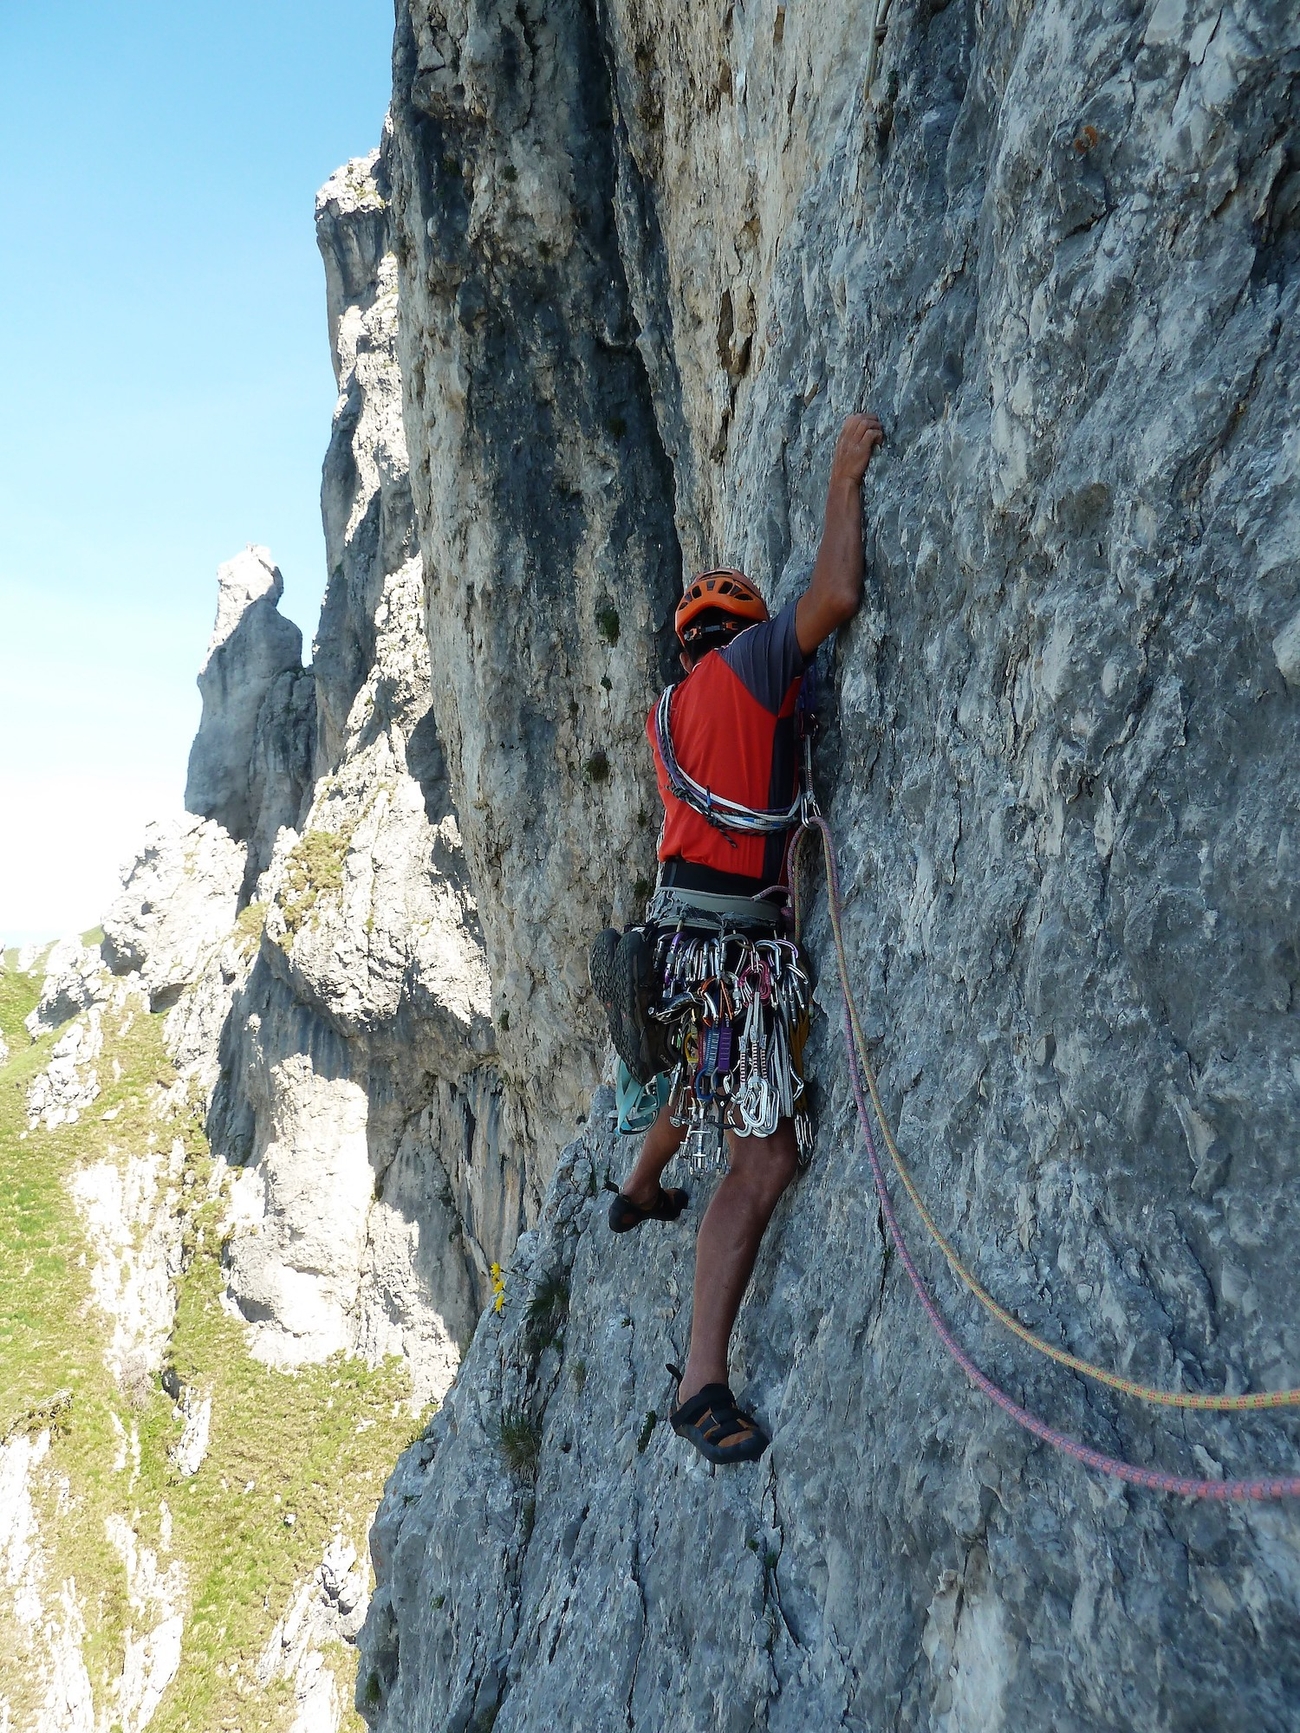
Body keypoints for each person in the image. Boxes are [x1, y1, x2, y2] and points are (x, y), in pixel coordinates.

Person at [591, 411, 885, 1465]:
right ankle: (699, 1379)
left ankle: (636, 1188)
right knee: (763, 1157)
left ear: (682, 642)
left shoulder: (668, 712)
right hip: (728, 955)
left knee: (694, 1073)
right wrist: (842, 471)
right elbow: (836, 595)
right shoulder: (756, 667)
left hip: (677, 944)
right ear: (746, 632)